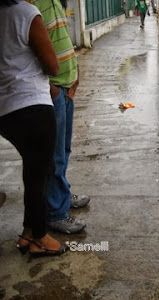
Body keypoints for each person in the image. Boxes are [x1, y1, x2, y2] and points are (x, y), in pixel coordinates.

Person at [0, 0, 66, 255]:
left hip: (5, 110)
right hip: (33, 105)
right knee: (39, 173)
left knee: (34, 169)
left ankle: (29, 232)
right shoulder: (27, 14)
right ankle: (40, 237)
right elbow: (52, 65)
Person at [28, 0, 90, 234]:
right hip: (54, 90)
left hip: (67, 86)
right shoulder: (33, 6)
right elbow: (30, 50)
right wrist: (52, 88)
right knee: (54, 155)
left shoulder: (56, 2)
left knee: (63, 150)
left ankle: (61, 195)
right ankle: (55, 212)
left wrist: (75, 72)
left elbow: (62, 40)